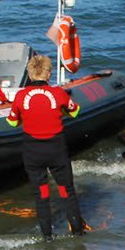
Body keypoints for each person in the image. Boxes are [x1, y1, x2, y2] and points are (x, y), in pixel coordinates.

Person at [5, 53, 84, 240]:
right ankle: (78, 233)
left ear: (30, 74)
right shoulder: (58, 93)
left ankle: (47, 237)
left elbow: (11, 122)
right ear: (48, 74)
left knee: (42, 195)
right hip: (56, 149)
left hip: (33, 152)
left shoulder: (20, 95)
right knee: (67, 191)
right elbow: (75, 112)